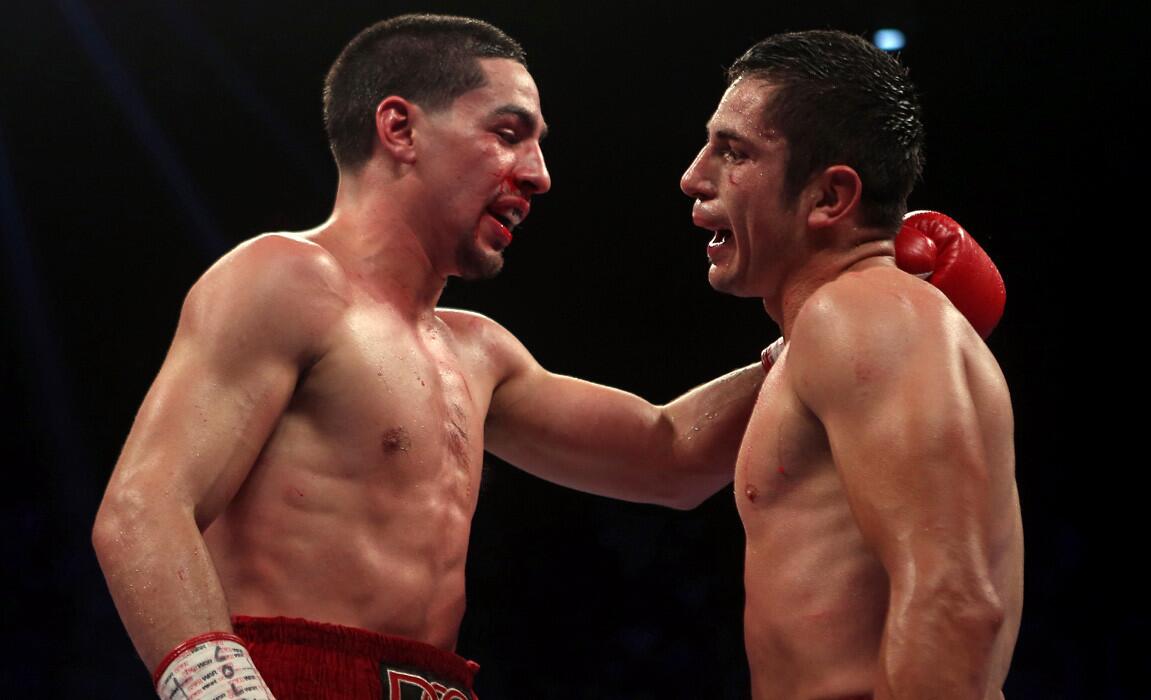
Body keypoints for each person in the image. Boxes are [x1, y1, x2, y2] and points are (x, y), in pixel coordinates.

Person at [91, 15, 766, 700]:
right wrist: (219, 690)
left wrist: (817, 320)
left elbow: (670, 455)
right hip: (286, 678)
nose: (538, 174)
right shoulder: (285, 278)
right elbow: (143, 508)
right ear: (399, 129)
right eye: (508, 134)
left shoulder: (480, 353)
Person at [679, 30, 1022, 699]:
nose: (693, 176)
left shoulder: (865, 316)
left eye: (733, 152)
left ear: (831, 198)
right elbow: (660, 449)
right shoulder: (827, 342)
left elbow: (954, 605)